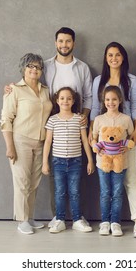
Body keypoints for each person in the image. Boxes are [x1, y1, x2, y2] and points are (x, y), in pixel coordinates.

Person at [4, 27, 93, 227]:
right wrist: (11, 88)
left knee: (73, 170)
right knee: (55, 171)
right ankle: (57, 216)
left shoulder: (82, 68)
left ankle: (77, 216)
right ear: (55, 43)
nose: (64, 45)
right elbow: (28, 82)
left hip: (74, 122)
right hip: (50, 123)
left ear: (74, 44)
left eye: (68, 41)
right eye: (60, 41)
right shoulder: (45, 65)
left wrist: (84, 118)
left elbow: (88, 96)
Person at [89, 42, 136, 238]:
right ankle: (108, 221)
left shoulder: (132, 80)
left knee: (131, 179)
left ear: (123, 58)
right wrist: (92, 133)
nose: (114, 58)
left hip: (126, 136)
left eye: (118, 55)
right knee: (107, 184)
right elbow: (96, 109)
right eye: (110, 55)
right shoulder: (99, 80)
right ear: (106, 58)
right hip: (104, 142)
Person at [0, 53, 53, 234]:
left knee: (34, 183)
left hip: (41, 141)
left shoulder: (45, 90)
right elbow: (6, 119)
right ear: (23, 68)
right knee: (22, 181)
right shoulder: (14, 90)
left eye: (38, 67)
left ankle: (29, 217)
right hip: (20, 140)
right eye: (30, 66)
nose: (34, 70)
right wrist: (10, 146)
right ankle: (22, 220)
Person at [42, 87, 94, 233]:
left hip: (75, 162)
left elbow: (84, 141)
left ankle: (77, 219)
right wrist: (45, 162)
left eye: (69, 98)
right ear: (57, 101)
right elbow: (47, 142)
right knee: (59, 191)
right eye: (62, 98)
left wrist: (90, 160)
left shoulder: (79, 119)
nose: (66, 101)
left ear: (73, 101)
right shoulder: (52, 120)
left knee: (75, 191)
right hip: (58, 162)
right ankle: (60, 219)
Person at [91, 86, 134, 237]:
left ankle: (115, 222)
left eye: (114, 99)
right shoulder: (99, 119)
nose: (111, 102)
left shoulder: (126, 119)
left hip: (120, 162)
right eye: (108, 99)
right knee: (105, 192)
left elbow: (131, 138)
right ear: (104, 101)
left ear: (120, 100)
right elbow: (93, 138)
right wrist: (96, 148)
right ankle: (105, 222)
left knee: (117, 192)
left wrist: (127, 147)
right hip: (102, 162)